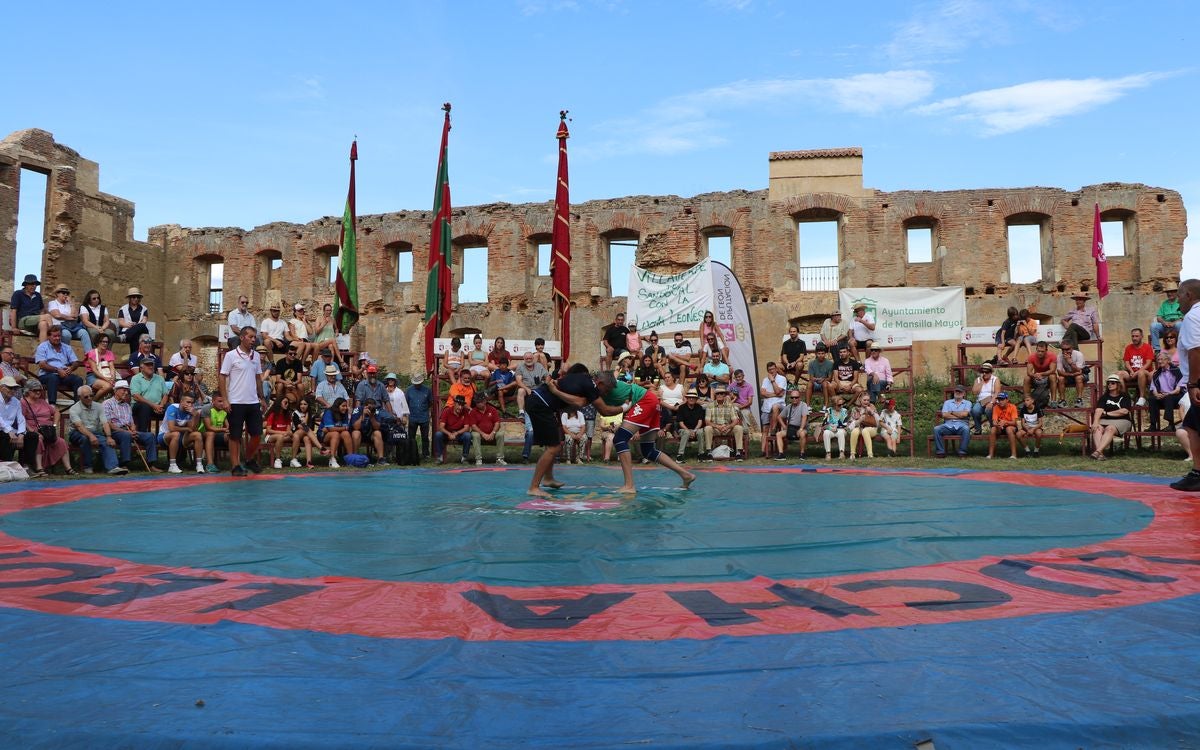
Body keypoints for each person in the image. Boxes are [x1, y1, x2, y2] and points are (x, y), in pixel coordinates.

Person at [549, 370, 693, 494]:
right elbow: (598, 408)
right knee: (649, 450)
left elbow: (589, 405)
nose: (606, 392)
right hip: (650, 401)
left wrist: (556, 390)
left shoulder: (599, 386)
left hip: (644, 402)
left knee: (619, 439)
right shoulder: (599, 385)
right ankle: (685, 475)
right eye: (606, 390)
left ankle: (629, 485)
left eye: (608, 390)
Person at [219, 325, 266, 477]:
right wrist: (225, 399)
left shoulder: (256, 356)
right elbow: (222, 376)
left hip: (253, 401)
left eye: (255, 337)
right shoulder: (231, 355)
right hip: (236, 401)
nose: (254, 340)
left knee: (257, 434)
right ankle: (235, 466)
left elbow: (258, 378)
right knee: (235, 435)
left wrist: (262, 398)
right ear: (242, 337)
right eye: (251, 337)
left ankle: (249, 459)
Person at [1170, 279, 1200, 490]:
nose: (1177, 300)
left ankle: (1198, 475)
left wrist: (1194, 383)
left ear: (1189, 295)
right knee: (1191, 426)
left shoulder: (1192, 317)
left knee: (1193, 426)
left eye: (1179, 295)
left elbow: (1196, 350)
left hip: (1199, 381)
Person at [67, 385, 126, 475]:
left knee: (107, 441)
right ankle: (88, 466)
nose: (90, 398)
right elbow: (79, 426)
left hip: (95, 432)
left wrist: (109, 437)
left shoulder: (99, 406)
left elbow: (105, 423)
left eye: (91, 395)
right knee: (84, 439)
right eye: (86, 397)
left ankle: (113, 467)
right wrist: (90, 436)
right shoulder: (74, 409)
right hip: (76, 433)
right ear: (79, 397)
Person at [20, 380, 74, 477]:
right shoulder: (23, 402)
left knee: (61, 441)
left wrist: (54, 425)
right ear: (28, 391)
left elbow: (56, 412)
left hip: (48, 430)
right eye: (35, 390)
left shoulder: (42, 402)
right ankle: (39, 468)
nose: (38, 392)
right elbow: (21, 418)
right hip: (33, 430)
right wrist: (31, 430)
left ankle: (68, 468)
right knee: (38, 439)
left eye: (40, 390)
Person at [104, 379, 159, 471]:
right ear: (116, 390)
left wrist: (133, 429)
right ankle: (124, 464)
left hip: (128, 431)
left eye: (127, 390)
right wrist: (127, 432)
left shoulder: (127, 405)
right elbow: (109, 424)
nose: (126, 392)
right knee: (126, 436)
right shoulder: (107, 404)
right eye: (124, 390)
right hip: (116, 432)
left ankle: (151, 464)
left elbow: (132, 423)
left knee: (150, 436)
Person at [35, 325, 84, 404]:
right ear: (48, 336)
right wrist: (58, 370)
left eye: (59, 336)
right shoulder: (42, 347)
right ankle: (52, 404)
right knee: (53, 378)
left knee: (78, 380)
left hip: (64, 375)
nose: (57, 338)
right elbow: (42, 365)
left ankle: (78, 405)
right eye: (54, 336)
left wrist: (71, 368)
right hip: (47, 375)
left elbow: (76, 362)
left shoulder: (67, 347)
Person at [159, 393, 204, 474]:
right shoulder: (172, 408)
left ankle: (199, 464)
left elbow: (193, 429)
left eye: (192, 403)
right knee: (175, 434)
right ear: (181, 401)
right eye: (188, 402)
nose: (190, 405)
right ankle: (172, 465)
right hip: (165, 436)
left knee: (197, 435)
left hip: (180, 438)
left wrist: (195, 415)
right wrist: (186, 428)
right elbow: (171, 428)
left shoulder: (191, 411)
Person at [1090, 376, 1133, 460]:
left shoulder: (1125, 396)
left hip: (1123, 420)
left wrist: (1107, 413)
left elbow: (1124, 411)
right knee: (1097, 428)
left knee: (1110, 428)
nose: (1110, 384)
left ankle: (1097, 451)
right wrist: (1095, 422)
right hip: (1106, 420)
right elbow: (1099, 410)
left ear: (1118, 384)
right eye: (1108, 383)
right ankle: (1100, 454)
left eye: (1112, 383)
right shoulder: (1104, 397)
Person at [0, 376, 36, 470]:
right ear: (1, 388)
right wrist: (9, 431)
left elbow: (21, 419)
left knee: (32, 436)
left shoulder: (16, 401)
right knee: (6, 436)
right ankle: (6, 466)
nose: (13, 390)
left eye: (14, 388)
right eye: (10, 388)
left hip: (10, 430)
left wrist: (21, 434)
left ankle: (25, 466)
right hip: (3, 430)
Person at [1116, 328, 1154, 407]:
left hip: (1145, 372)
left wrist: (1137, 372)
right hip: (1132, 373)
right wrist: (1131, 371)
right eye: (1133, 336)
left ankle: (1142, 398)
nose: (1134, 338)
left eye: (1136, 336)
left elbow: (1148, 363)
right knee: (1119, 374)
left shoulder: (1147, 347)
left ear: (1141, 336)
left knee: (1141, 373)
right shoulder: (1128, 348)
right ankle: (1125, 398)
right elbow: (1126, 362)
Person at [47, 284, 91, 352]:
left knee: (84, 333)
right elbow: (57, 315)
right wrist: (69, 317)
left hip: (72, 326)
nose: (65, 294)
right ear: (57, 294)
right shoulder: (53, 303)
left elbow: (76, 316)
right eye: (63, 293)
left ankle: (90, 356)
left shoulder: (69, 304)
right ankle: (64, 354)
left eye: (67, 293)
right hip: (60, 326)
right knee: (66, 334)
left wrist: (71, 303)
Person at [704, 386, 744, 461]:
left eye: (721, 393)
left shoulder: (730, 405)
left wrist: (728, 427)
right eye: (718, 393)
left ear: (724, 395)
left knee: (739, 428)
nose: (719, 395)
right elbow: (707, 421)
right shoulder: (710, 405)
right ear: (715, 395)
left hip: (728, 428)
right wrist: (718, 427)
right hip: (716, 429)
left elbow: (735, 420)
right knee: (707, 428)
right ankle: (709, 452)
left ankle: (739, 452)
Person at [1148, 351, 1183, 432]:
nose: (1160, 361)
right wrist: (1156, 394)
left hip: (1175, 395)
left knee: (1169, 398)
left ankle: (1171, 425)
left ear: (1168, 360)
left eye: (1162, 359)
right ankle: (1153, 425)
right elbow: (1153, 388)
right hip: (1163, 396)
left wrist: (1168, 394)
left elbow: (1178, 390)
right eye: (1158, 360)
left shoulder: (1176, 371)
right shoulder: (1156, 373)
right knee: (1152, 399)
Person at [130, 358, 169, 432]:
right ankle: (142, 435)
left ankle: (167, 435)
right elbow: (136, 396)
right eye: (148, 365)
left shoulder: (160, 378)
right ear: (141, 367)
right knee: (145, 407)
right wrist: (153, 405)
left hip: (158, 407)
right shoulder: (136, 378)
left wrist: (161, 405)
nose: (151, 367)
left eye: (152, 365)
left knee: (170, 407)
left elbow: (165, 394)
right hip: (141, 406)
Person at [933, 385, 972, 458]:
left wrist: (952, 412)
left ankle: (962, 452)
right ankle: (940, 452)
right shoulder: (947, 402)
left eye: (960, 391)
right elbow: (944, 415)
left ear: (963, 394)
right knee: (936, 429)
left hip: (962, 425)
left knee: (966, 429)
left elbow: (965, 414)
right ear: (954, 392)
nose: (958, 393)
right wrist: (959, 416)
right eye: (956, 391)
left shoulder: (968, 403)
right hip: (948, 426)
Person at [9, 273, 49, 340]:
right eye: (32, 284)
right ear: (26, 285)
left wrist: (41, 318)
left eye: (35, 284)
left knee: (43, 324)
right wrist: (13, 327)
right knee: (47, 316)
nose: (34, 286)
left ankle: (43, 349)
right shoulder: (18, 294)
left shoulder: (37, 295)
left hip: (35, 322)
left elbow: (42, 309)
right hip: (23, 321)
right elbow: (13, 311)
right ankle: (52, 335)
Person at [435, 395, 473, 464]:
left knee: (468, 435)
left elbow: (467, 427)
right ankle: (439, 457)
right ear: (454, 404)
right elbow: (441, 427)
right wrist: (449, 434)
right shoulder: (447, 411)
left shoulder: (465, 412)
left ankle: (464, 457)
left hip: (459, 434)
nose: (460, 407)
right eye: (458, 405)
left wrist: (456, 433)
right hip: (447, 433)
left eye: (462, 405)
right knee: (438, 434)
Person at [469, 393, 505, 465]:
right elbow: (473, 426)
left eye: (479, 402)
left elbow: (497, 423)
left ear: (485, 401)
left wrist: (493, 433)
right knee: (475, 435)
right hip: (480, 434)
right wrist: (483, 434)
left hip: (492, 433)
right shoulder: (473, 411)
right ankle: (478, 459)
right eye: (477, 402)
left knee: (500, 434)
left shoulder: (492, 409)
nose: (478, 404)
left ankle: (500, 458)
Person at [773, 390, 809, 460]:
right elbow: (779, 417)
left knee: (802, 433)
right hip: (791, 428)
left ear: (799, 398)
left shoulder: (803, 405)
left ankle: (802, 453)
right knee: (778, 434)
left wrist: (801, 428)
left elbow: (804, 417)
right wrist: (783, 426)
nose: (794, 399)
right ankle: (781, 454)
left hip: (801, 428)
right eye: (792, 397)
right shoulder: (789, 407)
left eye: (796, 397)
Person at [673, 389, 707, 462]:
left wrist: (694, 431)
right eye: (689, 397)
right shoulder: (681, 408)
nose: (691, 399)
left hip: (696, 429)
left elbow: (700, 421)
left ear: (696, 399)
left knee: (700, 432)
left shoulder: (699, 407)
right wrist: (689, 431)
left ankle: (701, 454)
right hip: (684, 429)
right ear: (687, 398)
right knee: (686, 432)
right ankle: (680, 455)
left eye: (693, 397)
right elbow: (681, 423)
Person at [405, 371, 433, 459]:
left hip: (424, 416)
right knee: (411, 437)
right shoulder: (409, 390)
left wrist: (428, 413)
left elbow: (430, 402)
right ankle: (411, 453)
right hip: (413, 416)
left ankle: (426, 454)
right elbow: (406, 403)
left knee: (425, 437)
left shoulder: (427, 390)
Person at [287, 396, 320, 469]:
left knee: (307, 439)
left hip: (306, 434)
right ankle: (320, 447)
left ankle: (309, 462)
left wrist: (308, 415)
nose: (302, 406)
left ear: (308, 405)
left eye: (305, 404)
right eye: (301, 404)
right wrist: (306, 418)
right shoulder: (296, 413)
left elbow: (311, 428)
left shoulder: (312, 414)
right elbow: (299, 426)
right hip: (296, 435)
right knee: (304, 430)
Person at [320, 397, 353, 467]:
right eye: (343, 406)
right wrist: (343, 428)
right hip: (323, 435)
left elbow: (345, 429)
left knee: (346, 433)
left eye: (346, 406)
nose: (345, 408)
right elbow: (330, 429)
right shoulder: (329, 412)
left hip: (337, 433)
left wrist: (336, 428)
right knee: (335, 433)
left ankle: (351, 459)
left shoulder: (345, 413)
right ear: (337, 406)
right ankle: (332, 459)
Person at [116, 288, 151, 354]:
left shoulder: (144, 309)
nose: (136, 299)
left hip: (142, 331)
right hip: (130, 330)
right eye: (133, 297)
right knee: (135, 336)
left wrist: (135, 326)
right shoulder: (123, 309)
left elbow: (144, 321)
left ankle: (125, 336)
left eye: (138, 297)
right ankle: (134, 359)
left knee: (141, 326)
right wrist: (128, 325)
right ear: (129, 298)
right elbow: (121, 323)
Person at [263, 395, 295, 469]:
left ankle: (293, 459)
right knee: (280, 437)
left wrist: (289, 432)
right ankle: (277, 459)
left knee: (295, 437)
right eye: (285, 403)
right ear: (279, 403)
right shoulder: (273, 414)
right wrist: (283, 433)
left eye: (288, 403)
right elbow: (268, 430)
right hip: (271, 436)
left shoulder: (287, 415)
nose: (287, 404)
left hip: (284, 436)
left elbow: (288, 430)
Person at [1023, 340, 1057, 408]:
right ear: (1036, 350)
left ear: (1046, 350)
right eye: (1038, 351)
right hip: (1036, 377)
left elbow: (1052, 370)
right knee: (1027, 378)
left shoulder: (1052, 356)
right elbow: (1029, 372)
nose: (1040, 353)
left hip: (1047, 378)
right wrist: (1035, 375)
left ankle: (1053, 401)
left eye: (1042, 351)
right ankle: (1027, 400)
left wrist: (1042, 374)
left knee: (1053, 376)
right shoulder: (1031, 357)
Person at [350, 398, 385, 462]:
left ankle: (381, 458)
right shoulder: (358, 410)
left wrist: (372, 417)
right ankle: (354, 457)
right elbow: (355, 427)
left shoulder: (376, 411)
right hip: (360, 433)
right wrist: (362, 415)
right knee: (356, 432)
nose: (370, 408)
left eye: (372, 407)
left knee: (378, 433)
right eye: (369, 407)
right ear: (364, 406)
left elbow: (377, 427)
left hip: (370, 434)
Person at [513, 352, 548, 417]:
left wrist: (546, 384)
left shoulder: (539, 366)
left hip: (539, 388)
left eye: (530, 358)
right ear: (524, 359)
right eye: (527, 359)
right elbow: (518, 381)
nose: (529, 360)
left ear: (533, 358)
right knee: (520, 390)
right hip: (526, 388)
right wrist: (527, 389)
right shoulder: (520, 367)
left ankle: (549, 412)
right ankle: (521, 412)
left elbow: (547, 376)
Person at [84, 333, 118, 400]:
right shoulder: (92, 353)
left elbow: (112, 367)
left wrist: (113, 378)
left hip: (107, 376)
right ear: (97, 342)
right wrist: (106, 379)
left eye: (106, 342)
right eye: (103, 341)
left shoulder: (109, 353)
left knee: (120, 388)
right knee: (107, 386)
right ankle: (93, 403)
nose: (105, 343)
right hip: (93, 376)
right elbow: (94, 370)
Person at [986, 392, 1019, 460]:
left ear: (1007, 399)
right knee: (993, 429)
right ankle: (990, 454)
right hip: (1000, 427)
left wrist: (1005, 422)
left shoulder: (1012, 407)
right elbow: (994, 421)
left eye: (1002, 399)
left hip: (1010, 426)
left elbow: (1014, 423)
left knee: (1009, 429)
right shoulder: (996, 407)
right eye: (999, 400)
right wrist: (997, 424)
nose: (1000, 401)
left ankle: (1013, 455)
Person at [1055, 340, 1087, 408]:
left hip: (1083, 374)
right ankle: (1062, 400)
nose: (1065, 351)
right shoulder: (1060, 356)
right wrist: (1070, 375)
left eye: (1067, 349)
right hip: (1069, 375)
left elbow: (1079, 371)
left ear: (1072, 348)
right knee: (1060, 378)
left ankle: (1079, 400)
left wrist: (1070, 362)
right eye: (1063, 349)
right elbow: (1059, 372)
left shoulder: (1078, 354)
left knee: (1078, 377)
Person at [970, 362, 999, 434]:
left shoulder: (995, 379)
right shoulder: (978, 380)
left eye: (987, 372)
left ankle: (993, 427)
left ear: (991, 372)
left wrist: (991, 402)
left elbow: (997, 393)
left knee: (988, 409)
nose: (984, 373)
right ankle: (978, 429)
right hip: (980, 401)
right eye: (983, 372)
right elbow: (974, 392)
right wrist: (982, 382)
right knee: (974, 410)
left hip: (992, 400)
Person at [204, 394, 230, 472]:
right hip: (204, 434)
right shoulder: (208, 409)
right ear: (213, 401)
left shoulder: (224, 412)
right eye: (219, 401)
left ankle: (236, 463)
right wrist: (224, 429)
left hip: (218, 434)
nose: (222, 403)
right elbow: (208, 427)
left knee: (233, 436)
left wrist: (229, 430)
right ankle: (210, 465)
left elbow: (227, 426)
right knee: (211, 434)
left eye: (223, 401)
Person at [759, 361, 787, 435]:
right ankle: (763, 446)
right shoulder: (765, 380)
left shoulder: (782, 379)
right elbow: (762, 394)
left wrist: (772, 380)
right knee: (765, 429)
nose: (772, 371)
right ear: (767, 371)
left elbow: (777, 391)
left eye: (773, 369)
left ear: (776, 369)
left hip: (780, 405)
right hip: (767, 406)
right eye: (769, 370)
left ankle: (773, 429)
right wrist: (776, 394)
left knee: (775, 406)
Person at [848, 393, 878, 460]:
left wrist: (872, 412)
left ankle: (870, 454)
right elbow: (850, 426)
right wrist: (859, 421)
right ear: (860, 400)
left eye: (868, 400)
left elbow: (878, 422)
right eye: (864, 400)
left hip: (872, 428)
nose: (867, 402)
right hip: (859, 428)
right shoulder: (855, 409)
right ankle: (852, 454)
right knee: (854, 431)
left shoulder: (872, 407)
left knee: (865, 430)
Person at [1151, 287, 1182, 352]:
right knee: (1153, 326)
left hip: (1176, 326)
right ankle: (1157, 350)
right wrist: (1164, 322)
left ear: (1176, 292)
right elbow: (1159, 316)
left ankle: (1180, 347)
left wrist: (1174, 323)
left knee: (1179, 324)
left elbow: (1183, 317)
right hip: (1165, 326)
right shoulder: (1164, 303)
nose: (1169, 293)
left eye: (1172, 292)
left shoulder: (1180, 302)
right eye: (1168, 292)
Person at [658, 371, 685, 437]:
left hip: (679, 406)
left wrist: (679, 405)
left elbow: (685, 399)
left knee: (680, 412)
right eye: (665, 378)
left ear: (673, 378)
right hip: (667, 406)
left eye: (668, 377)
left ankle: (677, 431)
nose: (667, 379)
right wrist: (671, 407)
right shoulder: (662, 387)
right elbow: (660, 401)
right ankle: (673, 431)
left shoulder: (680, 386)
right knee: (668, 413)